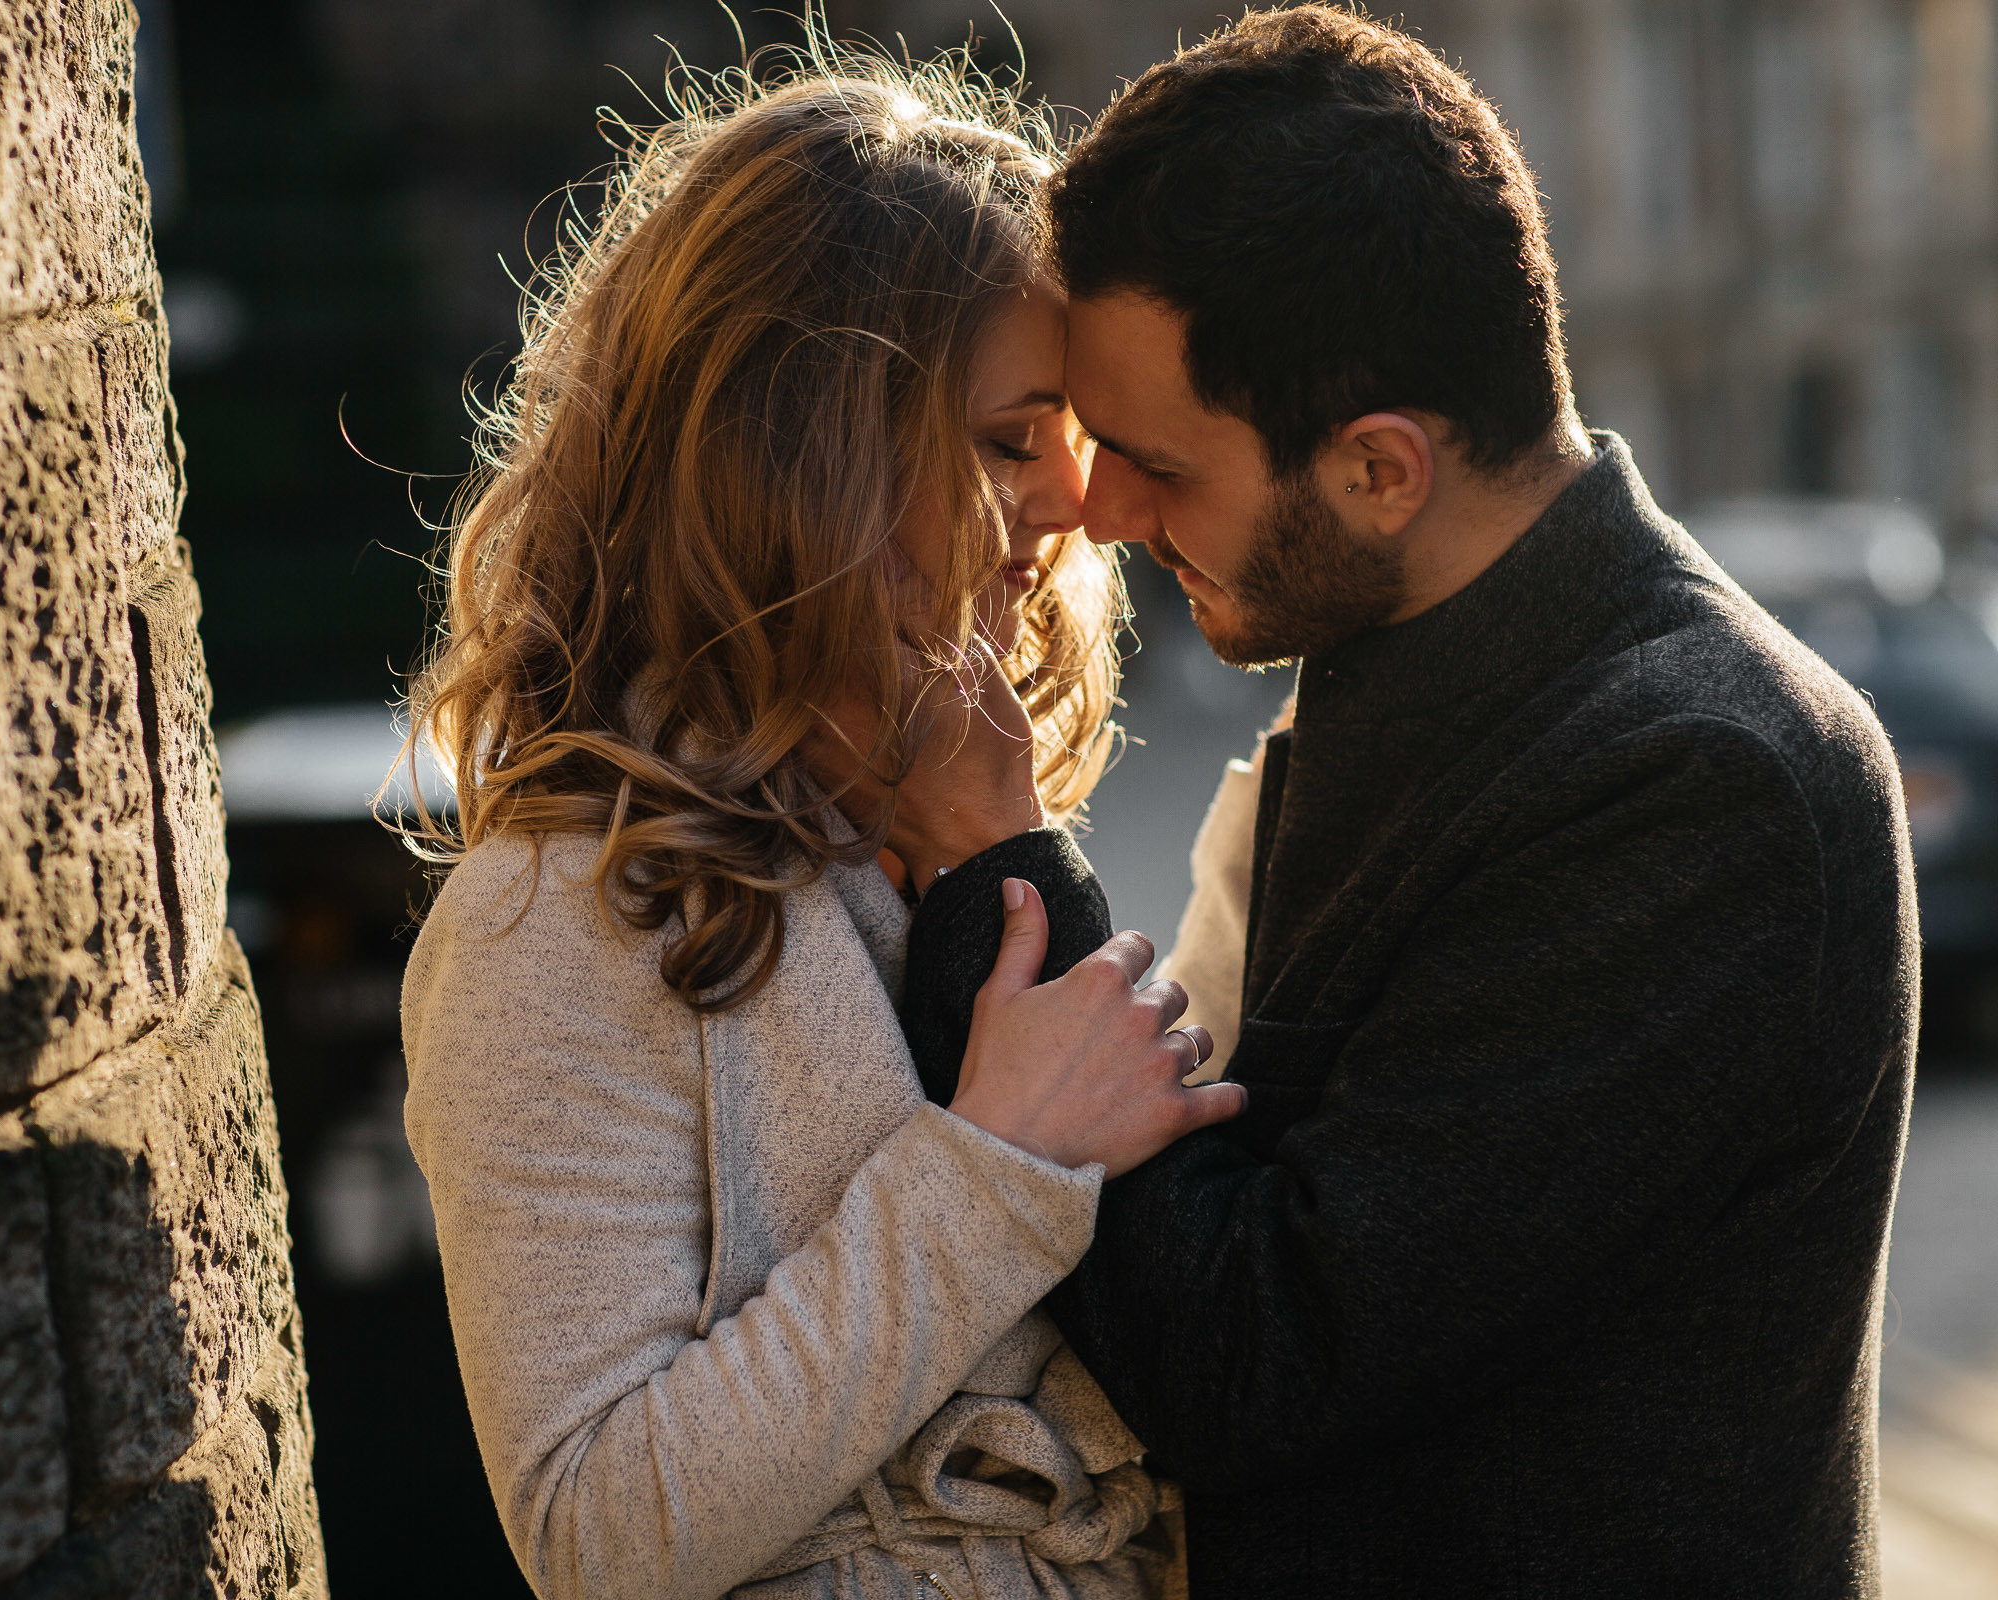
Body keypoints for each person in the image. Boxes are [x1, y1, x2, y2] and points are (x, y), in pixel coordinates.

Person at [899, 10, 1917, 1596]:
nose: (1096, 506)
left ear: (1382, 470)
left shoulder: (1700, 780)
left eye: (1157, 463)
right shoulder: (1435, 668)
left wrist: (997, 866)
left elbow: (1261, 1361)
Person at [397, 51, 1247, 1600]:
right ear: (805, 452)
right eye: (1009, 439)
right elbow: (592, 1529)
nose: (1067, 504)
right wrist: (994, 1168)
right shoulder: (558, 914)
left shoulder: (942, 830)